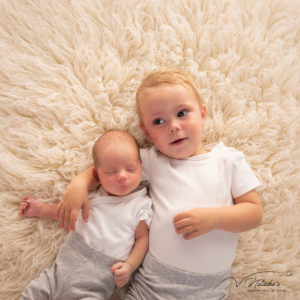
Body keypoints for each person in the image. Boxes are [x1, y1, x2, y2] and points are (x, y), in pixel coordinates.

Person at [56, 68, 263, 299]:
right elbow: (110, 169)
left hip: (209, 289)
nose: (173, 126)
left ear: (203, 114)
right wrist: (80, 184)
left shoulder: (228, 160)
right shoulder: (155, 161)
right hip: (153, 283)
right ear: (147, 132)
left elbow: (254, 213)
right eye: (159, 121)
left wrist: (215, 218)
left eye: (182, 113)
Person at [19, 130, 152, 300]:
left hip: (94, 285)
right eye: (111, 172)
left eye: (131, 169)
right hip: (59, 273)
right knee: (33, 293)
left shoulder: (140, 205)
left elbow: (143, 239)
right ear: (97, 174)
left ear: (141, 167)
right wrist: (38, 209)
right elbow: (65, 211)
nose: (122, 176)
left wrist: (129, 266)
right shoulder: (92, 194)